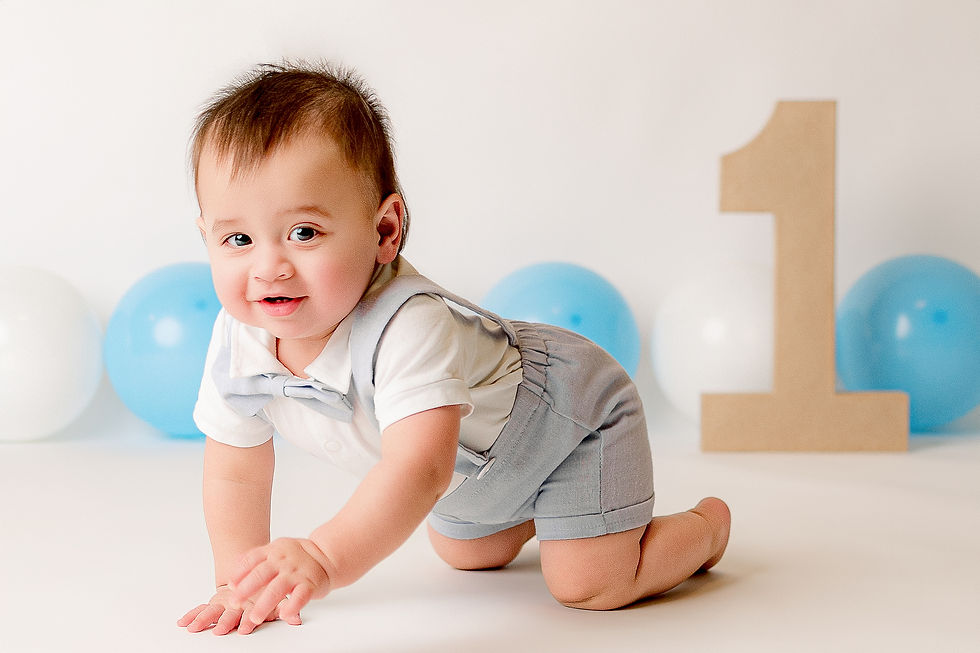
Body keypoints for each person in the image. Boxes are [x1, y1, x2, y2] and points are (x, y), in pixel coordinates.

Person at [177, 61, 730, 636]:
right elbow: (236, 472)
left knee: (587, 584)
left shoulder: (409, 326)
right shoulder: (240, 337)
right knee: (468, 554)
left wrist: (323, 556)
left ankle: (704, 529)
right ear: (206, 237)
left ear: (385, 230)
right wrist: (236, 583)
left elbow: (419, 470)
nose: (269, 268)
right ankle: (554, 511)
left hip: (574, 418)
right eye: (237, 239)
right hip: (480, 468)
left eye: (305, 233)